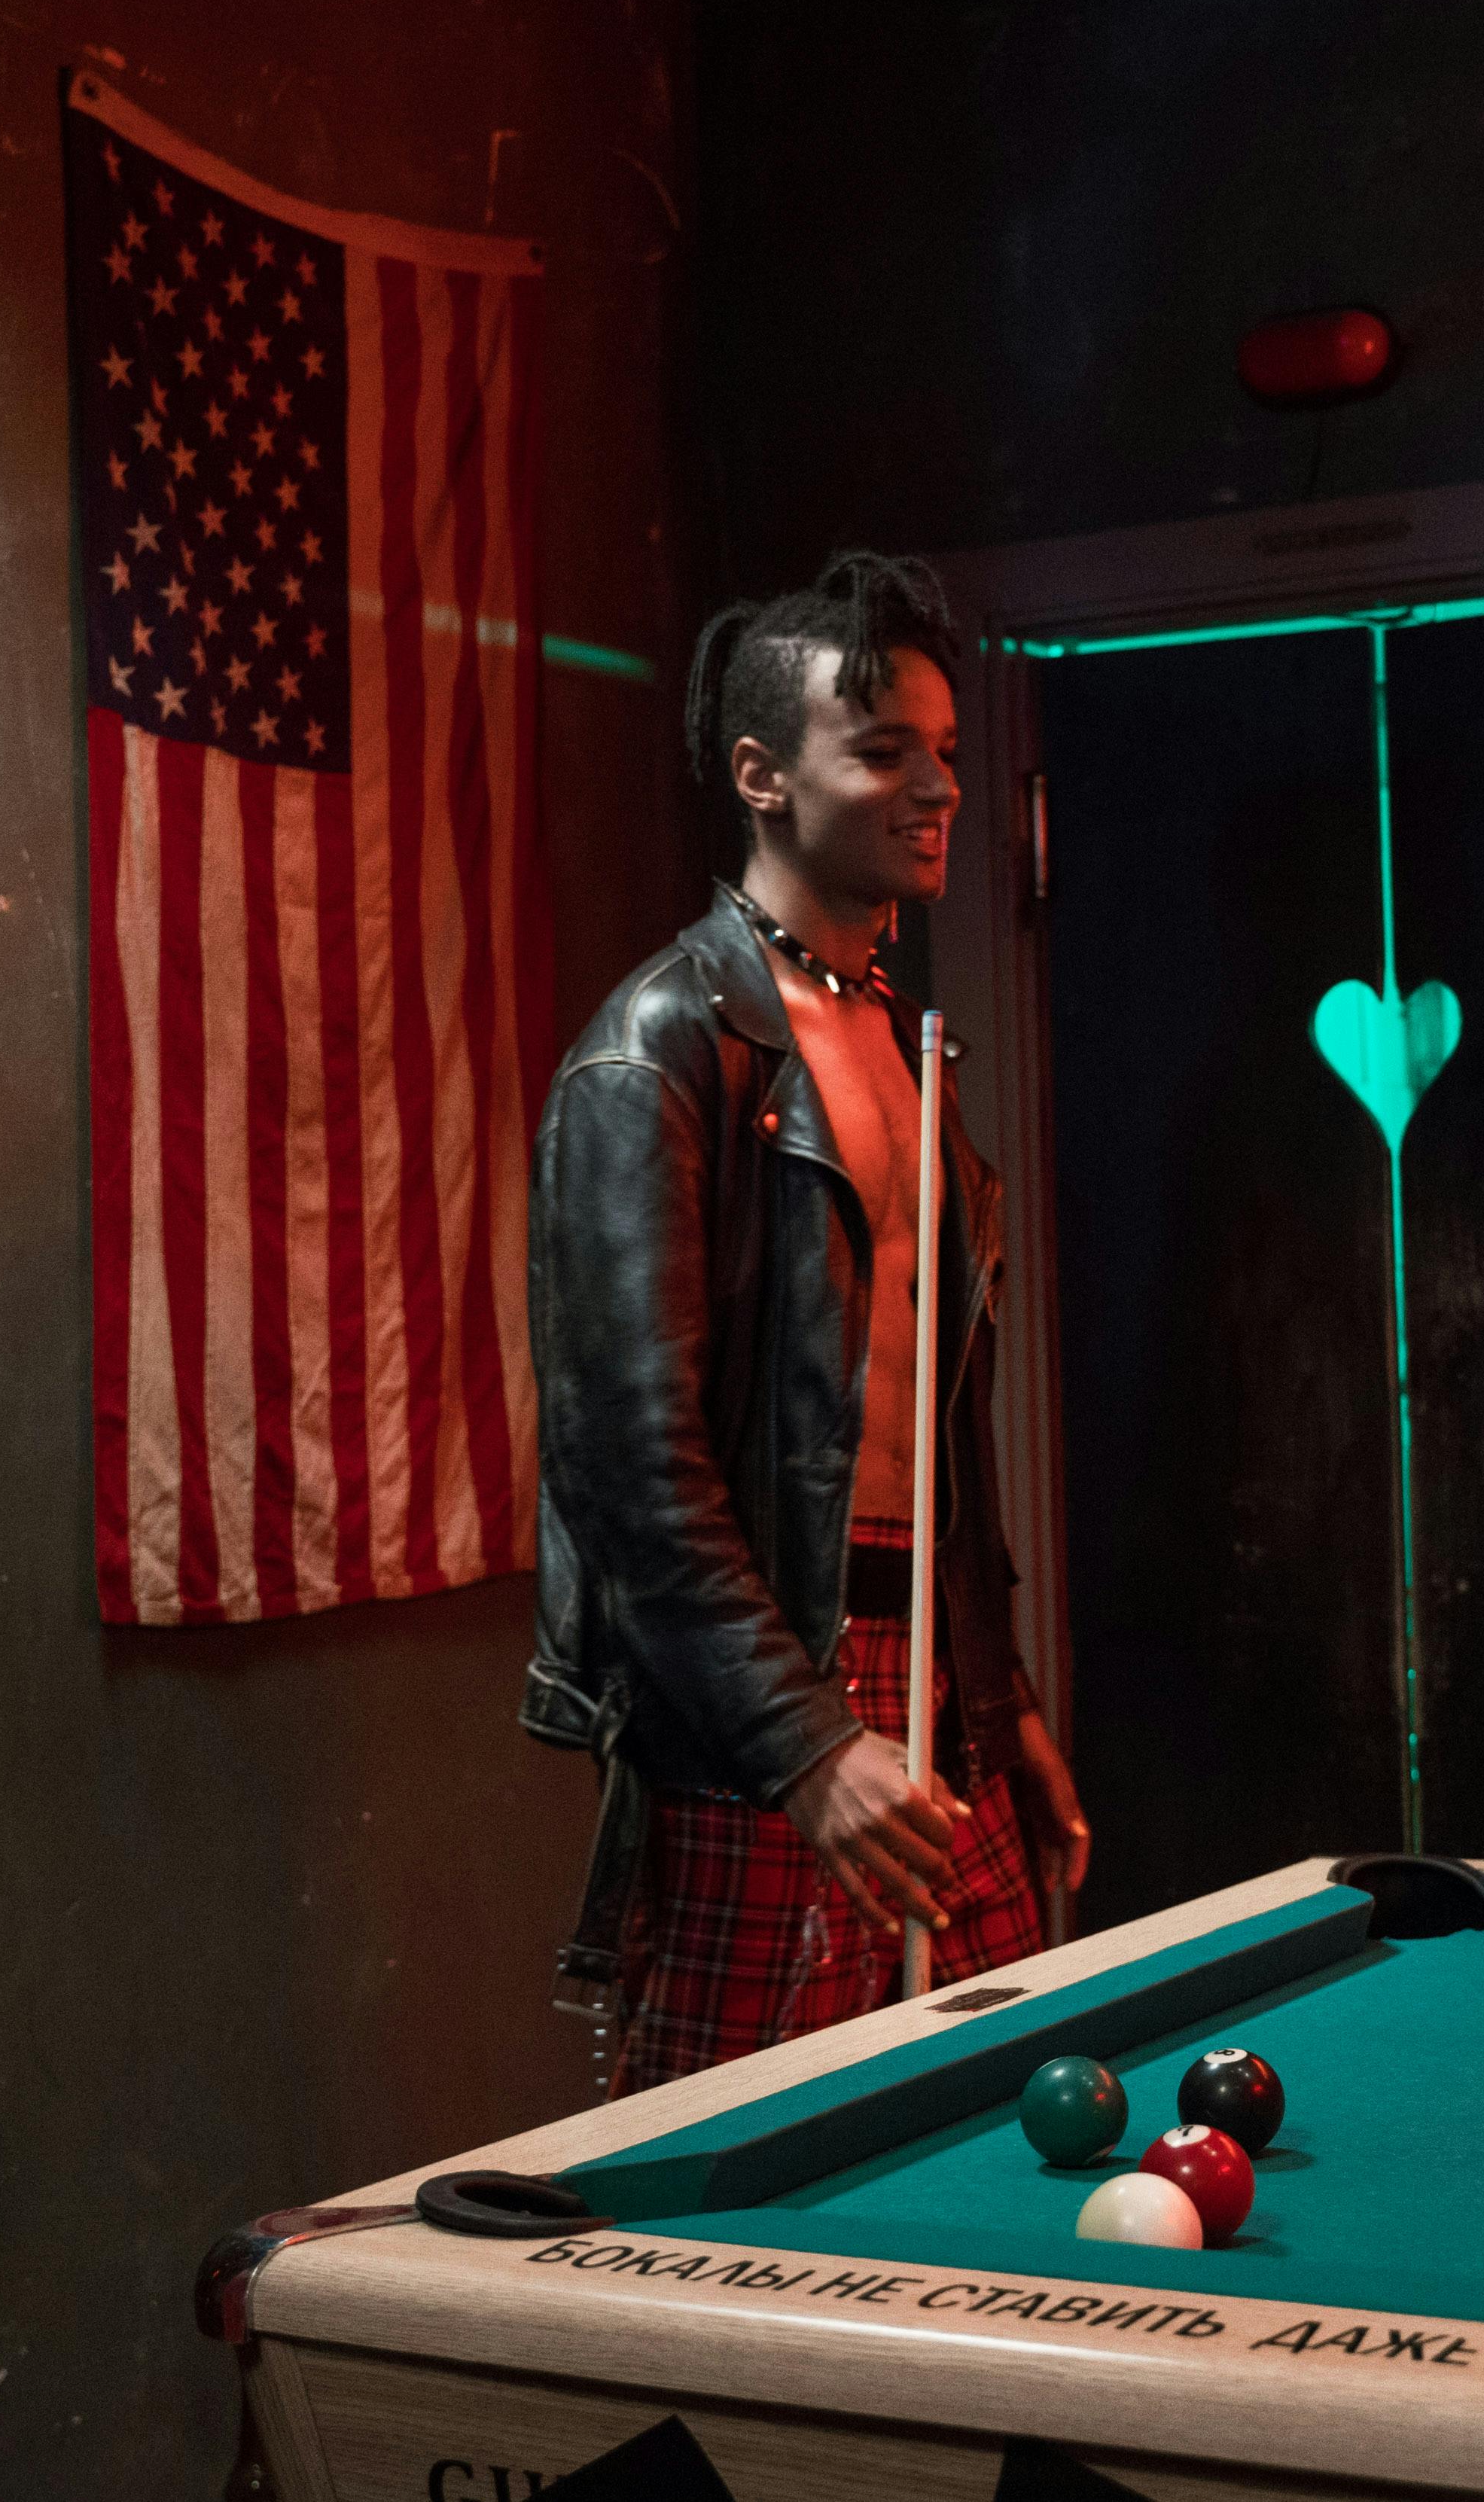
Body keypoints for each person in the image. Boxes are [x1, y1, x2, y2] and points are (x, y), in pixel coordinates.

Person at [523, 550, 1089, 2094]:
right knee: (715, 2188)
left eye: (949, 756)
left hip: (931, 1677)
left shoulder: (910, 1043)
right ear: (763, 774)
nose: (936, 793)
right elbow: (625, 1476)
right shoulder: (657, 1052)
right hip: (762, 1691)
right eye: (884, 753)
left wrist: (1007, 1691)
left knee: (980, 2107)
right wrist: (802, 1743)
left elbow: (936, 1432)